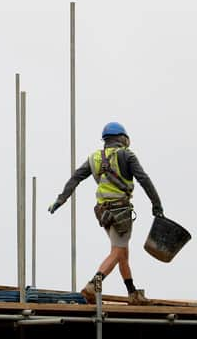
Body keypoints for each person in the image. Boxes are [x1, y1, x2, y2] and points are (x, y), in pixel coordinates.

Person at [48, 122, 164, 305]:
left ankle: (132, 293)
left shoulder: (94, 158)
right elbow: (144, 179)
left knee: (122, 252)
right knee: (118, 252)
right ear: (123, 138)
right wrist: (157, 205)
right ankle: (93, 285)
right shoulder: (126, 155)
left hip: (103, 212)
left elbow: (76, 177)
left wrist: (61, 199)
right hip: (121, 212)